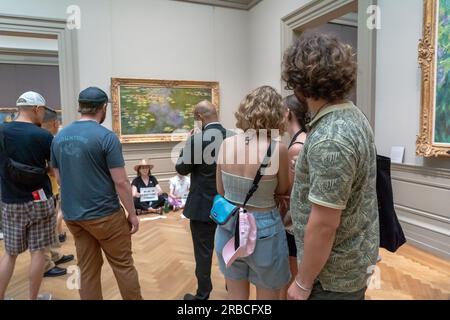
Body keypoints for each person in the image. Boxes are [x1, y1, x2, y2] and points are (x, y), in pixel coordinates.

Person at [282, 33, 379, 300]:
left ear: (299, 82)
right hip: (350, 257)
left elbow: (324, 224)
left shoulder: (331, 138)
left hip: (331, 274)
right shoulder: (352, 114)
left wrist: (302, 282)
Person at [51, 87, 142, 300]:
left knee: (87, 269)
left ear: (80, 107)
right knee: (123, 266)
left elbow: (59, 178)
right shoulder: (106, 137)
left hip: (74, 216)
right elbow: (120, 182)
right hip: (105, 216)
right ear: (103, 108)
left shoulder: (59, 137)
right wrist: (132, 213)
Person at [215, 86, 291, 300]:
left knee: (236, 299)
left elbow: (220, 190)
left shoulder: (226, 143)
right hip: (264, 227)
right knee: (268, 297)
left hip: (228, 224)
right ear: (277, 114)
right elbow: (283, 189)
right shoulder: (277, 149)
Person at [0, 91, 56, 300]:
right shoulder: (43, 136)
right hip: (39, 199)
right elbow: (52, 169)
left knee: (10, 253)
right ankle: (33, 298)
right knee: (39, 251)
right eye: (43, 110)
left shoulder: (1, 131)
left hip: (10, 201)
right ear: (36, 109)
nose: (43, 115)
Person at [176, 100, 232, 300]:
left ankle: (203, 295)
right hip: (229, 205)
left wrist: (187, 143)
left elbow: (181, 169)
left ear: (200, 118)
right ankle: (233, 290)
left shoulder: (197, 140)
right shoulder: (234, 137)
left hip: (202, 206)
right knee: (230, 250)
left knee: (203, 253)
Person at [278, 95, 308, 300]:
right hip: (302, 222)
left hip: (293, 224)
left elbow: (289, 192)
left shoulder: (296, 146)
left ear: (287, 113)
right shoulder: (306, 138)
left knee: (291, 279)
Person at [40, 107, 74, 278]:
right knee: (45, 227)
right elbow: (47, 167)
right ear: (54, 123)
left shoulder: (49, 138)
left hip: (51, 188)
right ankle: (46, 264)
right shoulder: (43, 139)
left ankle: (55, 256)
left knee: (52, 225)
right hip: (43, 189)